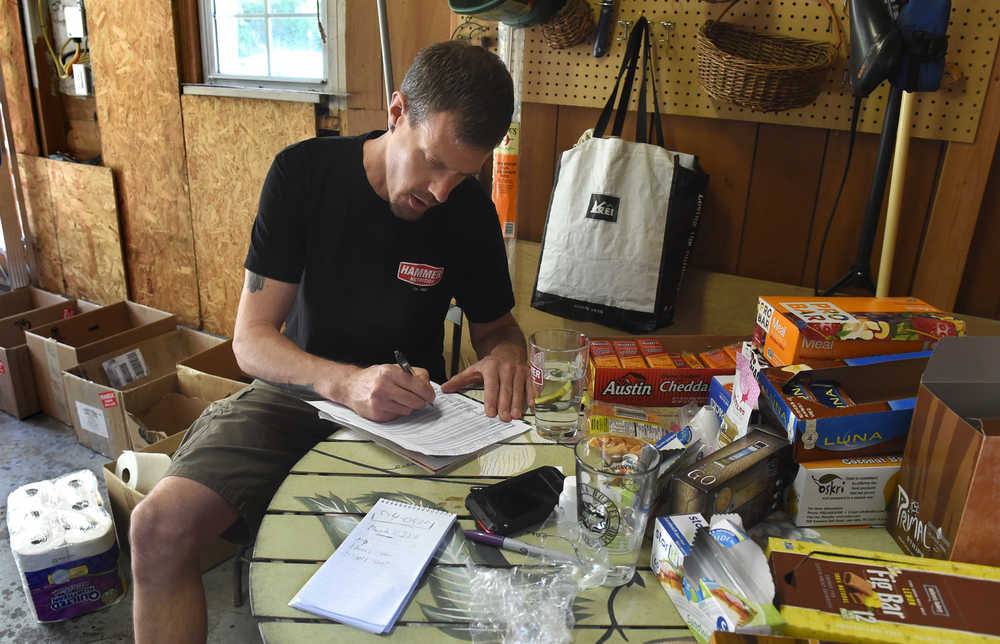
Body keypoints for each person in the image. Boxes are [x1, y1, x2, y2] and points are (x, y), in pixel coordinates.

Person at [129, 40, 529, 644]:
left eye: (461, 174)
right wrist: (344, 381)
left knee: (439, 573)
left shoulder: (467, 211)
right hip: (297, 395)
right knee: (157, 527)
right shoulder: (303, 175)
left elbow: (498, 331)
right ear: (397, 112)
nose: (441, 191)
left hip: (412, 412)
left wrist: (505, 358)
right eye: (432, 163)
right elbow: (251, 340)